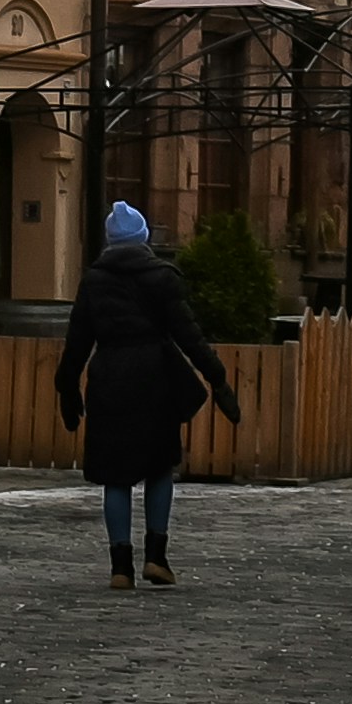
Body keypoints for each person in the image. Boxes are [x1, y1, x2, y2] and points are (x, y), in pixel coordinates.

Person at [52, 200, 228, 590]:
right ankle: (157, 557)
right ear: (143, 238)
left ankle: (120, 567)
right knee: (158, 466)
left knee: (115, 477)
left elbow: (78, 339)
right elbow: (188, 334)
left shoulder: (93, 280)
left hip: (109, 378)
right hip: (155, 377)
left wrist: (66, 384)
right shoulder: (162, 277)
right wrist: (217, 377)